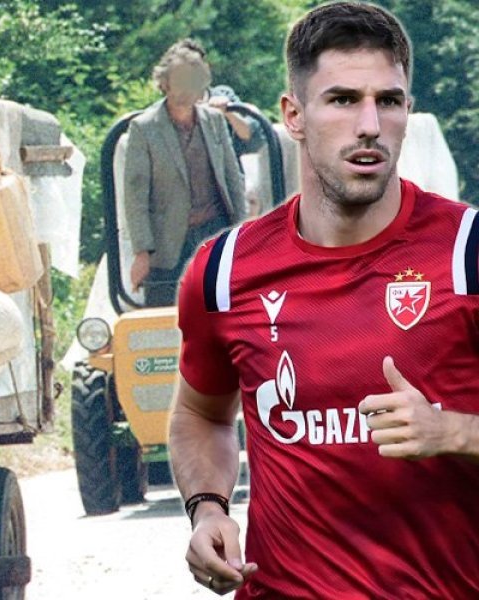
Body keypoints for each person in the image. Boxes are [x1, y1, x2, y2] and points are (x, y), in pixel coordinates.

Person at [171, 3, 479, 597]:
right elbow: (201, 414)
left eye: (388, 101)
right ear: (294, 115)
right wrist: (208, 509)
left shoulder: (468, 253)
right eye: (343, 100)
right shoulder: (224, 270)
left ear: (407, 111)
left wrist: (454, 432)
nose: (369, 124)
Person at [124, 38, 248, 306]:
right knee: (166, 321)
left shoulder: (214, 121)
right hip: (168, 245)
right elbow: (135, 196)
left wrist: (242, 231)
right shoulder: (143, 128)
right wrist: (142, 252)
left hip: (215, 231)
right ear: (165, 82)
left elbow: (232, 179)